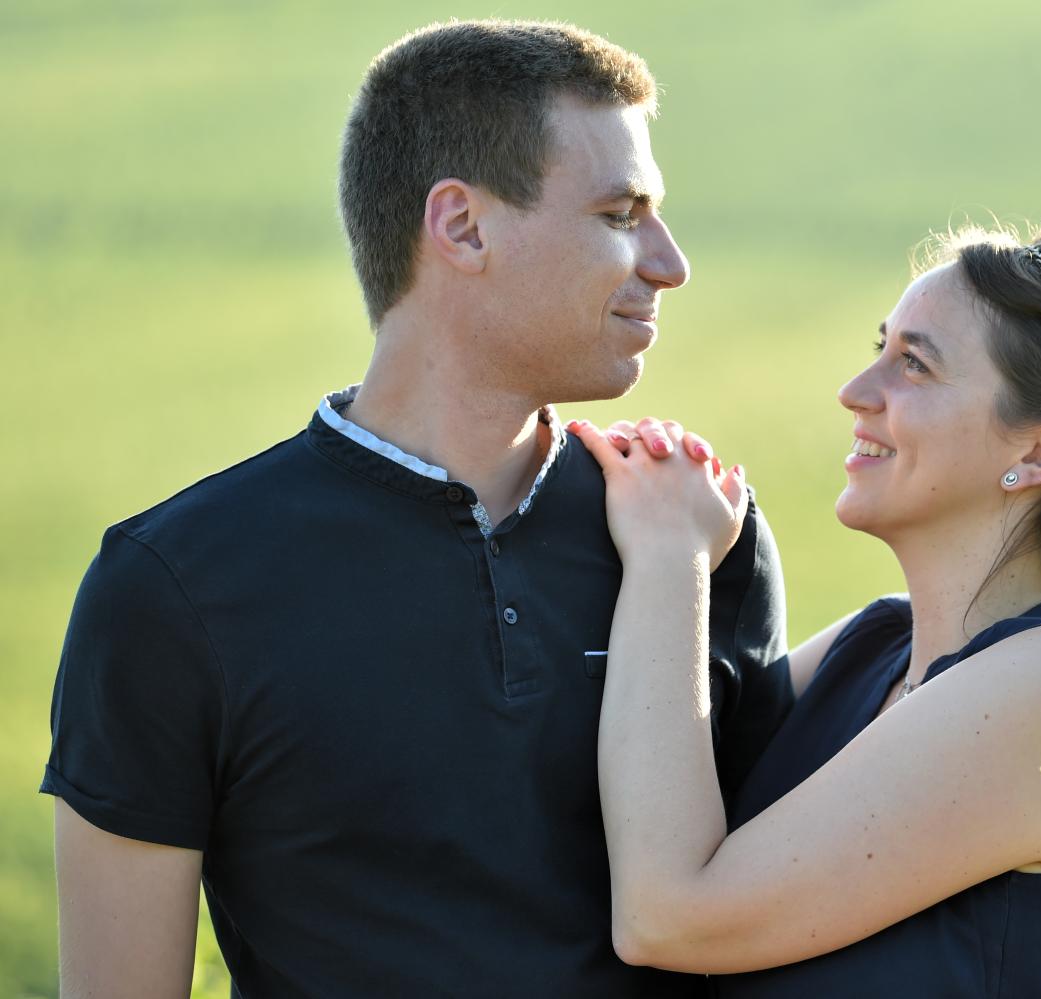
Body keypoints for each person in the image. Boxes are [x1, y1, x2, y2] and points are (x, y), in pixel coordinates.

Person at [41, 20, 792, 998]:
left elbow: (767, 934)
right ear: (463, 226)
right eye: (621, 213)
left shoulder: (700, 537)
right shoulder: (175, 588)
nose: (669, 262)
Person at [570, 224, 1041, 996]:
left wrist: (671, 555)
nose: (857, 392)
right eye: (881, 348)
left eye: (915, 365)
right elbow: (644, 802)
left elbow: (668, 913)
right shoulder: (869, 648)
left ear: (1038, 452)